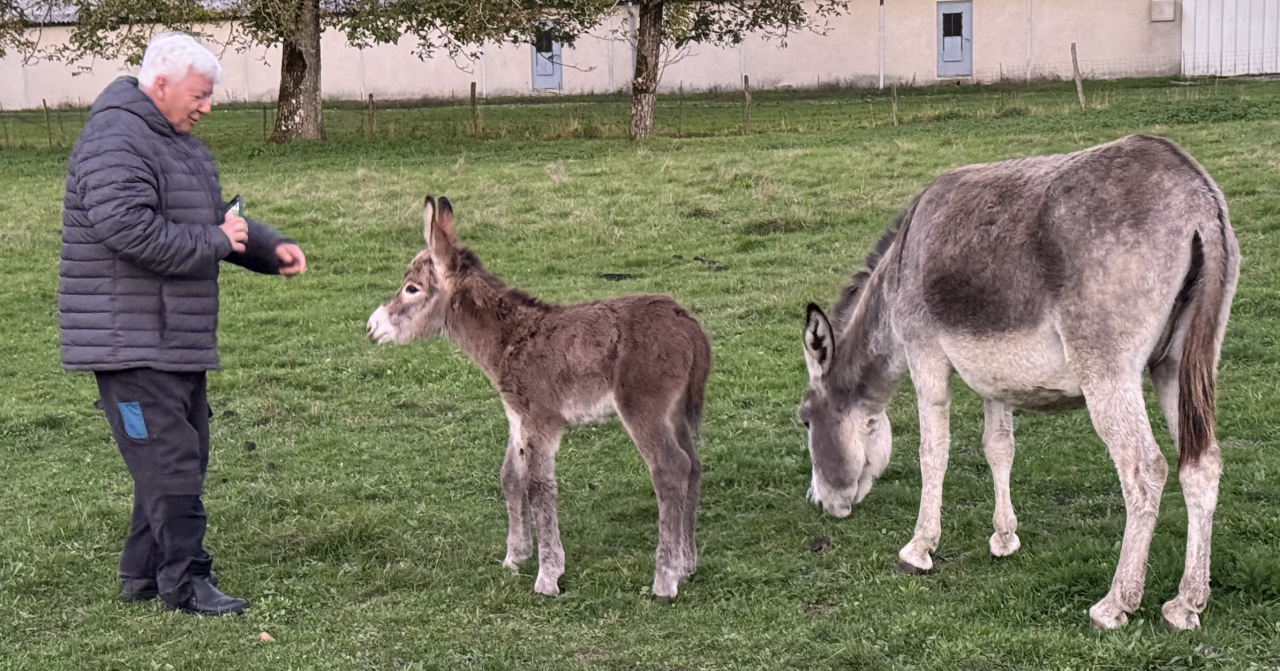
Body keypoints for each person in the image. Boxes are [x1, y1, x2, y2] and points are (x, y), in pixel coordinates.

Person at [59, 32, 306, 616]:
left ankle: (142, 574)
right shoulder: (115, 138)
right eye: (200, 94)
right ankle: (187, 583)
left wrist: (268, 249)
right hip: (129, 337)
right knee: (170, 458)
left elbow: (218, 220)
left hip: (175, 334)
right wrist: (216, 241)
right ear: (161, 84)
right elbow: (128, 229)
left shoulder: (179, 144)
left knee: (180, 456)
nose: (207, 106)